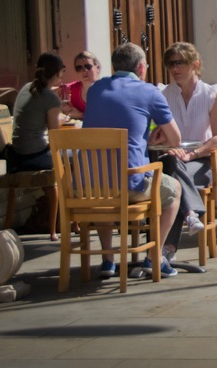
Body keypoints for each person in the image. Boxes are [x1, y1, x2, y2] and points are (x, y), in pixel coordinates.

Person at [82, 42, 182, 278]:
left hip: (90, 185)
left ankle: (108, 259)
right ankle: (154, 257)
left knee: (104, 185)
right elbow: (175, 139)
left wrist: (143, 139)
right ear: (141, 68)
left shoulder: (95, 90)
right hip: (129, 184)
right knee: (175, 190)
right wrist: (152, 138)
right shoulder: (149, 92)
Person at [159, 42, 217, 259]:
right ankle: (191, 213)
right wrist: (163, 141)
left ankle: (167, 249)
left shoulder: (211, 95)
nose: (174, 68)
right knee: (172, 168)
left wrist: (193, 154)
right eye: (170, 64)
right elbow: (156, 133)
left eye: (179, 63)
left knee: (173, 183)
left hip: (200, 160)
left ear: (195, 64)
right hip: (172, 159)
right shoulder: (164, 95)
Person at [8, 52, 65, 172]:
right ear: (58, 72)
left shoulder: (26, 88)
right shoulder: (51, 98)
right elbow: (55, 137)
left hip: (16, 155)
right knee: (75, 156)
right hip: (34, 157)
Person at [60, 51, 102, 119]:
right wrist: (62, 109)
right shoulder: (68, 90)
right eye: (79, 68)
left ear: (98, 68)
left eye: (88, 66)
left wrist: (81, 115)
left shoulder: (105, 91)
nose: (84, 70)